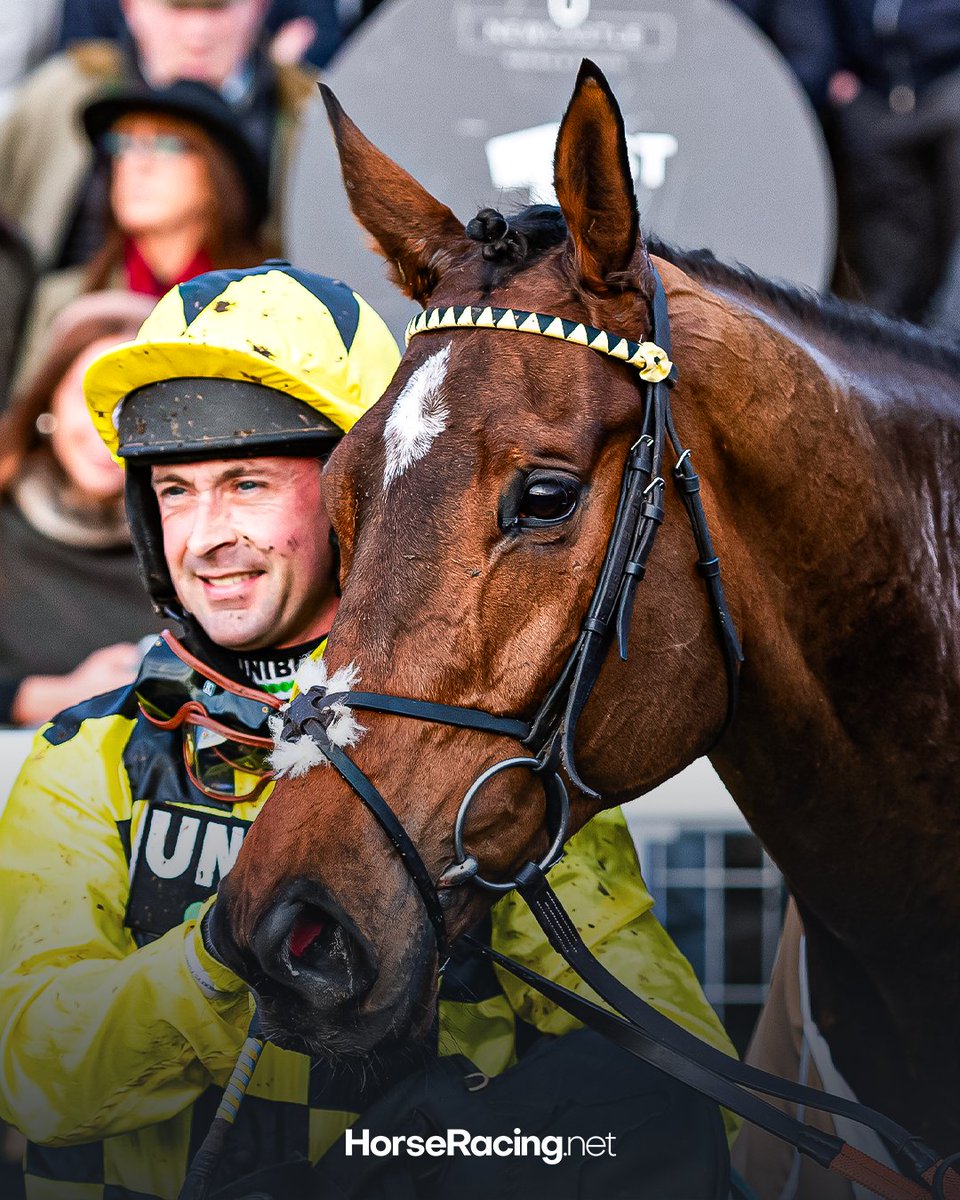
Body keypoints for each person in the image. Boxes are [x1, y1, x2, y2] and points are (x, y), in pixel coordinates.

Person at [0, 262, 737, 1199]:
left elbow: (678, 1084)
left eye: (247, 483)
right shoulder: (88, 755)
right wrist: (225, 956)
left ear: (363, 490)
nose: (204, 536)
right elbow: (36, 1079)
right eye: (175, 491)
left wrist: (417, 1163)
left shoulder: (490, 762)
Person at [0, 0, 313, 273]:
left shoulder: (307, 112)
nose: (197, 34)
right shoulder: (60, 94)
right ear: (130, 6)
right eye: (175, 7)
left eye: (219, 8)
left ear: (259, 6)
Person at [18, 78, 273, 382]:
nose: (137, 164)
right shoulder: (62, 301)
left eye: (166, 143)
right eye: (123, 144)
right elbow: (22, 424)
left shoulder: (267, 304)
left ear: (219, 174)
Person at [0, 289, 160, 728]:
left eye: (134, 408)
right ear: (48, 400)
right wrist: (40, 698)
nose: (107, 432)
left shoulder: (184, 543)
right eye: (89, 402)